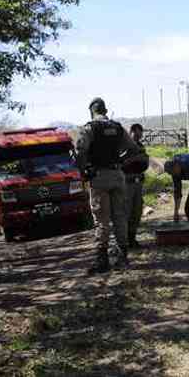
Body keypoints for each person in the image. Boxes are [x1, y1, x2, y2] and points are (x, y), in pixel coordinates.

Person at [76, 97, 141, 273]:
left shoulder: (89, 128)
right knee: (120, 216)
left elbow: (80, 151)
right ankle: (123, 257)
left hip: (99, 177)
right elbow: (134, 149)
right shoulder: (118, 128)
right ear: (105, 110)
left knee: (102, 219)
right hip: (118, 175)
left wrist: (83, 171)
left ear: (92, 111)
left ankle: (102, 261)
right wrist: (120, 160)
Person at [122, 123, 150, 248]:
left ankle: (132, 238)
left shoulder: (140, 146)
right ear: (131, 132)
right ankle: (123, 241)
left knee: (137, 212)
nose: (139, 137)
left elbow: (145, 162)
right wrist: (133, 159)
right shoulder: (123, 146)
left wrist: (143, 159)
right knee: (126, 213)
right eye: (137, 134)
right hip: (126, 183)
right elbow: (119, 164)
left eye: (140, 135)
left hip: (138, 182)